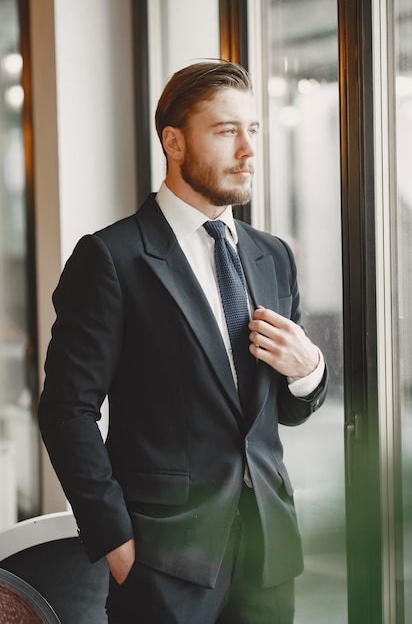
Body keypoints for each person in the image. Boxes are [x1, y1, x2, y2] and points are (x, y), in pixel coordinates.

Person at [38, 60, 328, 624]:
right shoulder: (110, 259)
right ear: (173, 141)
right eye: (226, 132)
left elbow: (283, 413)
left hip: (269, 555)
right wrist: (117, 545)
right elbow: (66, 410)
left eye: (254, 130)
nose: (248, 151)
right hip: (162, 562)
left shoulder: (275, 256)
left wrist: (309, 369)